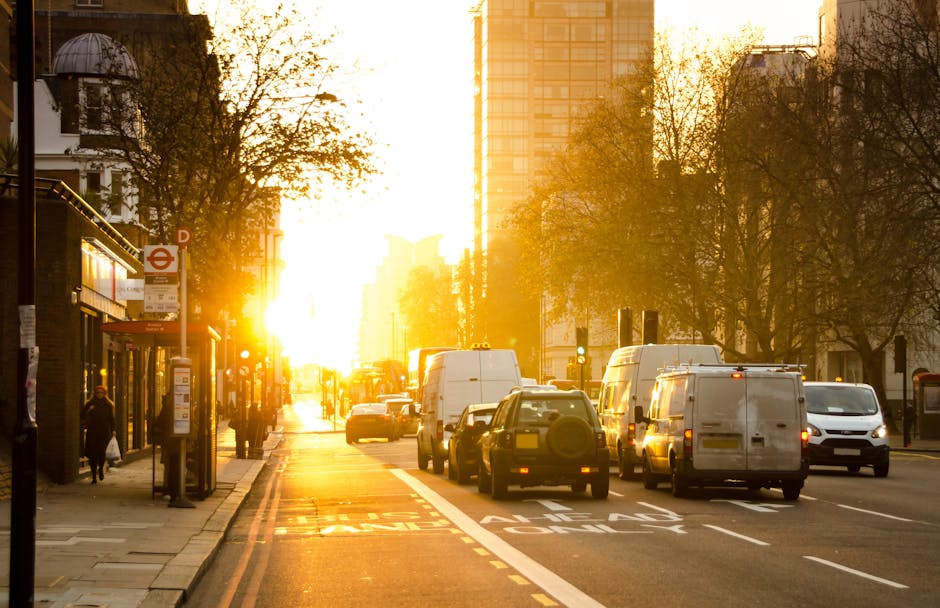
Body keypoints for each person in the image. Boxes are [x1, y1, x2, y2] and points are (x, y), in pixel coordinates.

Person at [82, 385, 115, 484]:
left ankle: (100, 468)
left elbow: (111, 418)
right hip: (92, 431)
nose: (99, 394)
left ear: (104, 394)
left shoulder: (108, 404)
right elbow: (82, 415)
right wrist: (89, 410)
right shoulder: (90, 403)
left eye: (101, 392)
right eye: (98, 392)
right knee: (93, 454)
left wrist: (113, 429)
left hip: (104, 432)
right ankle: (93, 477)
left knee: (101, 452)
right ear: (95, 394)